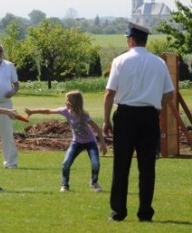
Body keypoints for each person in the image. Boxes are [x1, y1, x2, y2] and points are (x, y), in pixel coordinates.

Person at [103, 22, 174, 222]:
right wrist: (157, 107)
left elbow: (109, 93)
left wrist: (106, 120)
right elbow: (169, 93)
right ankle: (145, 212)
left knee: (121, 166)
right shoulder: (158, 63)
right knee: (147, 166)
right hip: (149, 116)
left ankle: (118, 212)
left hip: (126, 116)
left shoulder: (120, 61)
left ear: (131, 40)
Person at [26, 90, 107, 192]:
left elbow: (97, 129)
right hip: (76, 142)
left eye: (67, 100)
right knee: (66, 163)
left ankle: (94, 183)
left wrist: (103, 144)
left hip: (90, 142)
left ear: (74, 102)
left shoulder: (84, 115)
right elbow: (48, 111)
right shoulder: (65, 111)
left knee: (95, 163)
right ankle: (65, 185)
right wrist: (32, 112)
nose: (65, 102)